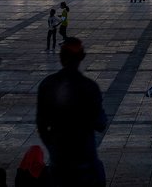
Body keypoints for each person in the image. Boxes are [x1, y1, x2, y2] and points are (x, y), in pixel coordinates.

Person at [36, 37, 107, 186]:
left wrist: (53, 147)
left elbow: (41, 125)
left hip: (59, 163)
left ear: (61, 57)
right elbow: (100, 124)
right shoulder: (89, 87)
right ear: (82, 57)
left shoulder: (48, 85)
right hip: (85, 162)